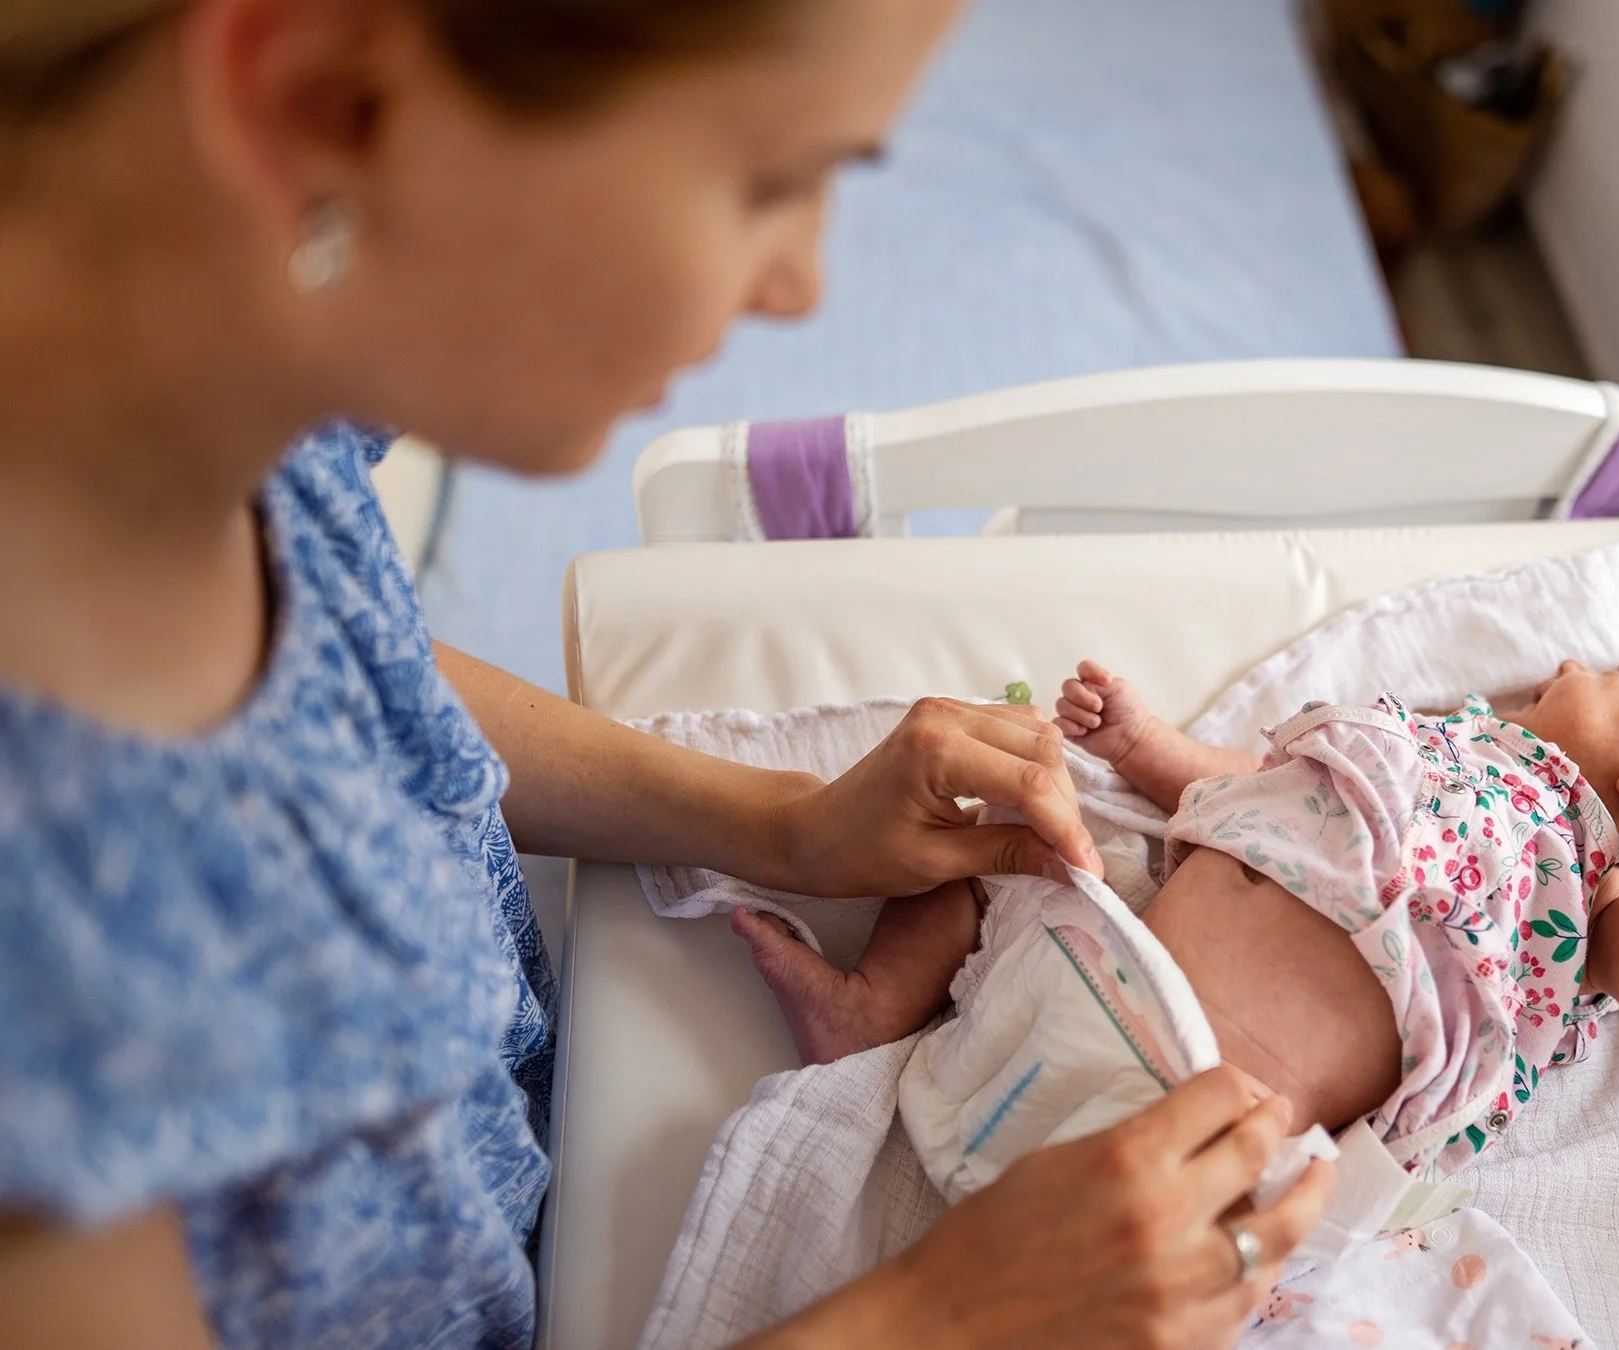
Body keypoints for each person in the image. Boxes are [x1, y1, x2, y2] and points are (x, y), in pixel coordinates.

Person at [0, 1, 1330, 1347]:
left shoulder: (181, 383)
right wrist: (951, 1312)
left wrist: (770, 819)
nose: (800, 282)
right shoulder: (48, 966)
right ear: (325, 97)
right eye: (770, 181)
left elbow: (352, 672)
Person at [750, 647, 1619, 1176]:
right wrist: (1141, 745)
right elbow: (1254, 784)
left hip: (1221, 1117)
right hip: (1093, 961)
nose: (1574, 658)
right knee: (1005, 826)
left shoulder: (1593, 891)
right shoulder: (1433, 742)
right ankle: (876, 1007)